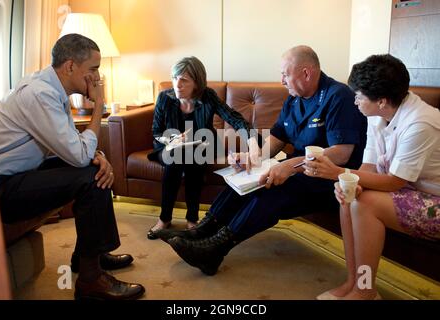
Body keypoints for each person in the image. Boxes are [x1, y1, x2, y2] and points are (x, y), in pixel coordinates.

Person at [157, 45, 368, 276]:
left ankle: (215, 249)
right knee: (245, 176)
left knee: (269, 188)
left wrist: (288, 165)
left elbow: (342, 152)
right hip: (299, 168)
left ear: (306, 73)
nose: (281, 81)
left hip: (326, 177)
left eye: (285, 74)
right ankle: (202, 230)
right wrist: (252, 157)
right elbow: (277, 138)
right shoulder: (294, 99)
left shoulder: (338, 96)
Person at [0, 34, 144, 300]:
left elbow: (68, 144)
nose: (98, 78)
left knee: (93, 165)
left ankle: (88, 254)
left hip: (20, 173)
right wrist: (99, 105)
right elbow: (76, 155)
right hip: (1, 188)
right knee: (90, 175)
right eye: (94, 70)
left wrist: (98, 154)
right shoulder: (41, 94)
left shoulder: (51, 88)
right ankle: (90, 280)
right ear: (71, 66)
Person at [303, 54, 440, 300]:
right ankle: (354, 281)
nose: (354, 100)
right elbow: (369, 165)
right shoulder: (378, 115)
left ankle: (365, 290)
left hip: (433, 198)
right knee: (349, 195)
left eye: (359, 96)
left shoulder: (421, 122)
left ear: (382, 101)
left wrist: (337, 173)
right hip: (409, 189)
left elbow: (395, 181)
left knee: (364, 204)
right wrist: (350, 183)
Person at [147, 56, 259, 239]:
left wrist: (252, 140)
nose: (177, 84)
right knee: (177, 156)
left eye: (184, 80)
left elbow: (234, 118)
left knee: (193, 156)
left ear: (197, 83)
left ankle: (191, 219)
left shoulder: (207, 96)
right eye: (175, 78)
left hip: (202, 145)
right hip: (169, 147)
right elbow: (156, 131)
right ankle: (165, 218)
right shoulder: (164, 98)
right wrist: (172, 140)